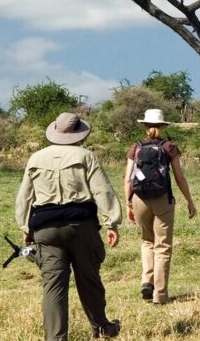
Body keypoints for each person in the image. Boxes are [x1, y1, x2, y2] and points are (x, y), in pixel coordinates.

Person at [15, 112, 122, 341]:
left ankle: (55, 338)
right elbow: (102, 191)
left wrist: (26, 228)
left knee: (53, 287)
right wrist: (111, 223)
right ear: (79, 134)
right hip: (81, 226)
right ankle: (102, 328)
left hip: (45, 228)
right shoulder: (86, 156)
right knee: (89, 280)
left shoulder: (36, 158)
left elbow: (24, 196)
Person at [123, 108, 196, 304]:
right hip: (163, 198)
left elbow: (128, 179)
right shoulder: (169, 147)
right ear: (163, 126)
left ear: (145, 126)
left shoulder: (135, 148)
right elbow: (179, 177)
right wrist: (189, 201)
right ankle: (160, 295)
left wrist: (128, 203)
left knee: (147, 241)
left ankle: (147, 281)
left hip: (139, 199)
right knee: (162, 246)